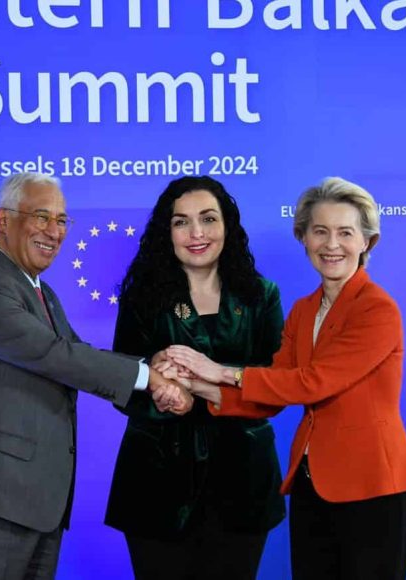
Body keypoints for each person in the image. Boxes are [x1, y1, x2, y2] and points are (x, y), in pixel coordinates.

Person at [0, 172, 191, 580]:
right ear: (3, 220)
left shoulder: (41, 291)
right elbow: (55, 356)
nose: (54, 232)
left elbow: (77, 354)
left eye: (62, 220)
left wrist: (150, 366)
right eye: (41, 217)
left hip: (36, 503)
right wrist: (149, 378)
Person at [165, 177, 406, 579]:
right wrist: (200, 386)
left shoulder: (377, 309)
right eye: (320, 231)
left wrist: (221, 370)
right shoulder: (303, 309)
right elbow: (276, 387)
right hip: (310, 484)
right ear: (303, 237)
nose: (331, 244)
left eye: (345, 233)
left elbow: (313, 382)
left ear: (367, 241)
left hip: (372, 486)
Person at [104, 176, 286, 579]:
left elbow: (276, 385)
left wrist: (201, 382)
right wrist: (164, 391)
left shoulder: (261, 295)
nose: (196, 233)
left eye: (208, 219)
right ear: (166, 232)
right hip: (156, 481)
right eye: (181, 222)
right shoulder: (143, 297)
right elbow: (123, 380)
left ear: (227, 226)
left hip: (243, 481)